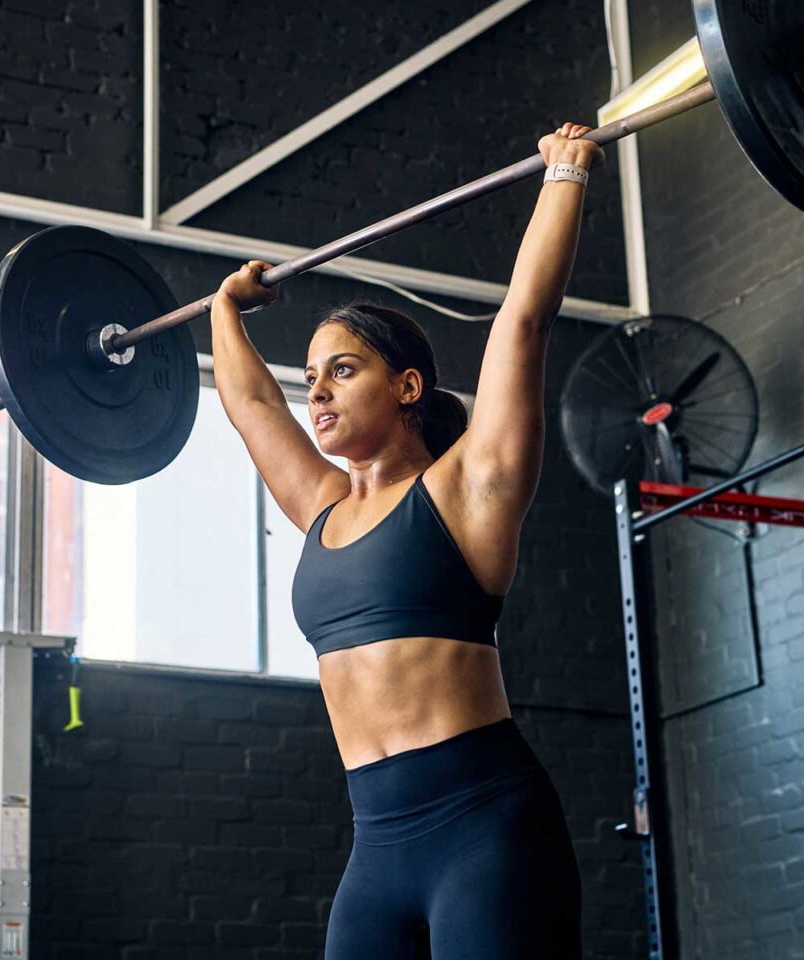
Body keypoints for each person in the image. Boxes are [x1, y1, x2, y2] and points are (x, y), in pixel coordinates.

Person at [208, 123, 603, 959]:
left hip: (487, 832)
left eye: (341, 370)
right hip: (377, 848)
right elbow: (249, 407)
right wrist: (224, 309)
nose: (316, 391)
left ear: (408, 385)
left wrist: (564, 175)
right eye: (310, 377)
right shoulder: (321, 507)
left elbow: (523, 324)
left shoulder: (468, 488)